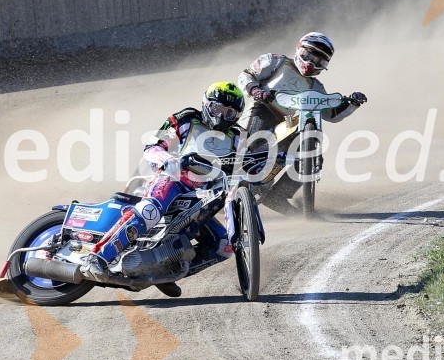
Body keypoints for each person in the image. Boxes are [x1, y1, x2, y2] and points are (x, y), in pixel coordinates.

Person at [81, 82, 246, 297]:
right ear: (207, 105)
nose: (222, 117)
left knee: (223, 245)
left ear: (237, 115)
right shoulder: (186, 119)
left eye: (229, 113)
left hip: (204, 196)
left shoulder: (238, 136)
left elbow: (252, 162)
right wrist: (168, 159)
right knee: (150, 210)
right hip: (173, 180)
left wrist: (282, 158)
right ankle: (97, 257)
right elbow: (153, 146)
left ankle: (167, 272)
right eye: (218, 109)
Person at [236, 32, 367, 209]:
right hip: (262, 110)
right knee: (254, 145)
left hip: (293, 123)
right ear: (299, 50)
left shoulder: (316, 87)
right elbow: (246, 76)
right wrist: (256, 91)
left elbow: (331, 114)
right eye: (309, 56)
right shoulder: (276, 61)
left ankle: (278, 197)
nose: (312, 64)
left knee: (313, 157)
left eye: (319, 61)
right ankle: (238, 182)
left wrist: (352, 104)